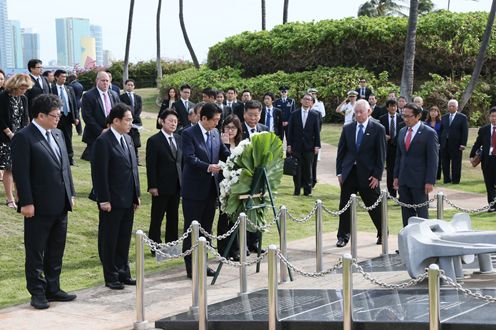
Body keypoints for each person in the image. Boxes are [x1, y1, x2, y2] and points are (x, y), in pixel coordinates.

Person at [11, 94, 76, 309]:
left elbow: (65, 166)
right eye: (54, 115)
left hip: (61, 203)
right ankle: (37, 292)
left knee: (56, 249)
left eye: (59, 114)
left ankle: (53, 288)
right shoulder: (24, 137)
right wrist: (26, 202)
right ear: (40, 115)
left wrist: (71, 193)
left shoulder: (57, 133)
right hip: (37, 206)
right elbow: (21, 173)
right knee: (36, 251)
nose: (58, 118)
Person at [90, 103, 140, 290]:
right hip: (111, 200)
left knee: (124, 238)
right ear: (115, 120)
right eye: (127, 120)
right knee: (109, 238)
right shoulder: (103, 141)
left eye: (131, 119)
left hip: (128, 198)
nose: (130, 123)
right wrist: (104, 199)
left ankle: (123, 272)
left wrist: (136, 195)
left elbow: (133, 168)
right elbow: (99, 173)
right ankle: (111, 275)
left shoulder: (127, 139)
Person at [181, 103, 230, 278]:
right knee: (192, 229)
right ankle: (191, 268)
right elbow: (189, 159)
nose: (217, 123)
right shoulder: (188, 134)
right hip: (194, 191)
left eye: (218, 119)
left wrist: (238, 157)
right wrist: (208, 167)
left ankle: (204, 264)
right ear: (203, 119)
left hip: (211, 191)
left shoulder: (215, 133)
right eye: (215, 120)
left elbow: (224, 153)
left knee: (207, 230)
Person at [336, 99, 385, 247]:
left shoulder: (378, 128)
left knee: (374, 205)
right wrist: (339, 173)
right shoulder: (348, 128)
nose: (358, 115)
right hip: (349, 172)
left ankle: (382, 232)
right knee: (344, 205)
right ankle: (343, 236)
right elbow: (341, 151)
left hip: (369, 174)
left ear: (369, 111)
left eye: (361, 112)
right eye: (356, 112)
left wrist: (377, 175)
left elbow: (381, 155)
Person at [394, 103, 438, 227]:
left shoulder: (429, 133)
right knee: (406, 214)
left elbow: (433, 159)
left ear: (418, 116)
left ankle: (425, 243)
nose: (406, 119)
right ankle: (408, 244)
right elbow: (399, 156)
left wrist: (430, 181)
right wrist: (396, 176)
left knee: (422, 214)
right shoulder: (402, 131)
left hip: (420, 181)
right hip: (403, 179)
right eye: (404, 116)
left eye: (409, 116)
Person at [146, 109, 182, 250]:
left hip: (176, 185)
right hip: (160, 186)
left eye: (175, 121)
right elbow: (151, 166)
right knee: (157, 217)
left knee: (173, 216)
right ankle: (155, 245)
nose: (173, 124)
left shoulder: (179, 138)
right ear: (162, 121)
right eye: (170, 121)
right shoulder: (154, 141)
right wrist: (152, 186)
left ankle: (171, 244)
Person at [0, 74, 31, 209]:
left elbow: (25, 117)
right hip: (6, 137)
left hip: (20, 136)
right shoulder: (3, 97)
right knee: (9, 168)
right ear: (14, 85)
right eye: (21, 88)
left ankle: (20, 196)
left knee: (20, 167)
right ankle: (10, 198)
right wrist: (10, 133)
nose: (23, 91)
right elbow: (0, 118)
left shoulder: (23, 99)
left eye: (25, 88)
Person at [241, 100, 269, 252]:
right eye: (250, 115)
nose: (253, 118)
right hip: (243, 178)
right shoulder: (238, 129)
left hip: (260, 178)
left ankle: (255, 242)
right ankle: (243, 243)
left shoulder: (264, 129)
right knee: (244, 210)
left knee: (258, 209)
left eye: (256, 115)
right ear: (244, 114)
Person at [217, 115, 243, 259]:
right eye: (227, 127)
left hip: (238, 186)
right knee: (224, 219)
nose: (230, 130)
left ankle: (235, 249)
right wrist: (226, 144)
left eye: (233, 127)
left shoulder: (242, 144)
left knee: (237, 219)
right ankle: (223, 250)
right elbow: (226, 160)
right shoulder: (220, 143)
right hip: (224, 186)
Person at [81, 71, 120, 161]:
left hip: (112, 132)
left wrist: (114, 127)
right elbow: (87, 117)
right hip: (95, 135)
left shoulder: (114, 94)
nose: (105, 83)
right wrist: (101, 131)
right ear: (97, 81)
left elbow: (118, 112)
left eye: (107, 80)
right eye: (103, 80)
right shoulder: (88, 96)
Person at [287, 93, 321, 196]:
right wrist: (289, 145)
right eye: (305, 99)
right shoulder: (294, 114)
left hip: (309, 147)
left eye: (309, 100)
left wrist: (317, 145)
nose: (307, 101)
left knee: (308, 169)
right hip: (296, 146)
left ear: (311, 103)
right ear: (301, 101)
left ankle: (307, 191)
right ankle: (297, 190)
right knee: (297, 169)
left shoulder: (315, 115)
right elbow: (290, 131)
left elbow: (317, 132)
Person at [470, 107, 496, 212]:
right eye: (492, 116)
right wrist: (472, 156)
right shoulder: (484, 130)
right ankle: (492, 205)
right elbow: (477, 143)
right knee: (489, 184)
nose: (494, 118)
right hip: (487, 161)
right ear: (489, 117)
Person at [51, 70, 79, 166]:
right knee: (55, 136)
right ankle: (57, 156)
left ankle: (70, 158)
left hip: (67, 116)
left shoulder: (69, 89)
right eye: (62, 76)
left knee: (68, 137)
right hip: (56, 116)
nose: (64, 78)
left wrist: (76, 117)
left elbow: (74, 103)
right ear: (56, 77)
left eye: (65, 77)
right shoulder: (52, 88)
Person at [440, 99, 468, 184]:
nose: (451, 107)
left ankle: (455, 180)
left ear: (457, 107)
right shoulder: (444, 117)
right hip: (445, 143)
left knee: (456, 163)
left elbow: (465, 131)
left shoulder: (462, 117)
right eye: (450, 106)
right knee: (445, 162)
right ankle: (446, 179)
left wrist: (463, 144)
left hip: (457, 144)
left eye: (453, 106)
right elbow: (442, 130)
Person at [379, 99, 404, 198]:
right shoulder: (382, 118)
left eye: (395, 106)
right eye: (391, 106)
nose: (393, 108)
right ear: (387, 108)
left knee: (400, 170)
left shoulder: (402, 118)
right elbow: (379, 132)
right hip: (387, 147)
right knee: (390, 171)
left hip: (399, 147)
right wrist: (384, 136)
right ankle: (392, 193)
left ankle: (401, 193)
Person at [120, 79, 143, 162]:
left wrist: (133, 118)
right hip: (126, 121)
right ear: (125, 86)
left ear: (134, 87)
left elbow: (139, 108)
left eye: (131, 85)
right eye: (128, 85)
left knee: (136, 141)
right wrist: (129, 119)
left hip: (136, 121)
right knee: (127, 139)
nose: (130, 86)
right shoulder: (121, 97)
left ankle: (136, 159)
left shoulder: (138, 97)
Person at [425, 105, 442, 180]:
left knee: (438, 160)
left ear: (438, 113)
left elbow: (442, 134)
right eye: (432, 111)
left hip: (438, 144)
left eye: (435, 111)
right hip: (427, 144)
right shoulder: (425, 122)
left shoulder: (441, 123)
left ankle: (437, 176)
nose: (433, 113)